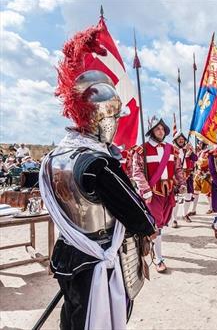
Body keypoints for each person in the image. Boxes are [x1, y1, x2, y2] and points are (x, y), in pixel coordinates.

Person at [39, 24, 156, 330]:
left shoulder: (54, 157)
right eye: (115, 116)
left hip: (68, 252)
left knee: (73, 317)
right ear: (100, 117)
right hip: (96, 256)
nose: (117, 123)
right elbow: (139, 216)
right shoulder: (97, 163)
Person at [130, 116, 186, 272]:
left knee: (160, 224)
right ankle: (158, 259)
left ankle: (149, 243)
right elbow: (137, 171)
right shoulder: (142, 150)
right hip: (152, 194)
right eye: (157, 128)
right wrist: (145, 189)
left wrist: (182, 183)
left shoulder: (172, 149)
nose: (160, 131)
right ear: (151, 131)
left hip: (168, 193)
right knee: (156, 227)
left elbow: (178, 169)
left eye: (162, 128)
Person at [171, 130, 198, 226]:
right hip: (177, 177)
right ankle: (174, 219)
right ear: (175, 140)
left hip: (187, 175)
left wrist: (190, 151)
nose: (181, 140)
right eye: (179, 139)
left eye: (182, 139)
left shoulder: (188, 149)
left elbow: (195, 159)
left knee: (189, 196)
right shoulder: (172, 150)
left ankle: (185, 214)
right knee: (176, 199)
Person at [192, 140, 213, 215]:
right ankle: (193, 210)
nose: (199, 144)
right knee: (195, 192)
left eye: (200, 143)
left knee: (207, 193)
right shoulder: (200, 152)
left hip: (205, 175)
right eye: (198, 143)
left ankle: (211, 208)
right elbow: (197, 163)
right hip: (198, 173)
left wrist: (198, 161)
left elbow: (204, 163)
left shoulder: (209, 152)